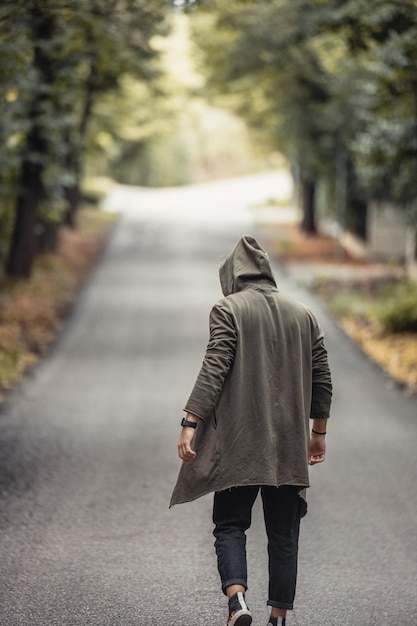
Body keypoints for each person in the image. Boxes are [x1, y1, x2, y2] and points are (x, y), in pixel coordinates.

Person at [170, 235, 332, 626]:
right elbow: (322, 377)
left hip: (240, 443)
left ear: (232, 276)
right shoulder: (304, 314)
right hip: (289, 446)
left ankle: (237, 602)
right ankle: (278, 617)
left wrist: (190, 421)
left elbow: (215, 365)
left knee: (229, 524)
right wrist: (318, 433)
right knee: (284, 534)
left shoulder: (228, 309)